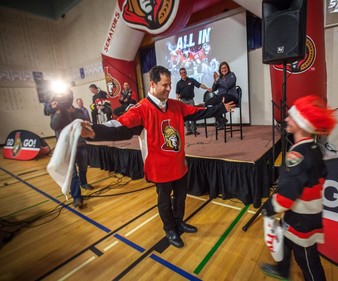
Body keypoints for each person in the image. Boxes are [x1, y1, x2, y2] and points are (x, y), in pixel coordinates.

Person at [81, 65, 235, 248]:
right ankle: (169, 229)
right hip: (158, 168)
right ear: (152, 84)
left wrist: (220, 109)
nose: (169, 89)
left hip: (179, 163)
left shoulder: (176, 106)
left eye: (170, 84)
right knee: (164, 201)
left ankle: (179, 222)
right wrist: (94, 131)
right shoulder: (141, 109)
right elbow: (119, 126)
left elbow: (198, 112)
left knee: (180, 197)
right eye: (165, 85)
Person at [259, 95, 338, 281]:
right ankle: (282, 270)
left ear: (302, 124)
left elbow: (286, 195)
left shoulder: (297, 155)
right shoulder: (314, 149)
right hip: (304, 213)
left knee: (308, 262)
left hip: (302, 220)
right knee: (285, 243)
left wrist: (269, 207)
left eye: (291, 117)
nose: (286, 119)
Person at [50, 90, 94, 208]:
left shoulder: (75, 111)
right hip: (67, 147)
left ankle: (84, 183)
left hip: (80, 144)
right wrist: (58, 111)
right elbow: (54, 125)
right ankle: (77, 197)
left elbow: (85, 119)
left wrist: (73, 111)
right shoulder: (56, 112)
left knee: (83, 166)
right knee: (73, 173)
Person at [176, 67, 212, 135]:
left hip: (190, 100)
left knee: (193, 114)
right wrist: (177, 102)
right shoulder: (178, 83)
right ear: (180, 74)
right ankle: (188, 130)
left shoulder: (191, 80)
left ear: (186, 73)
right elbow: (177, 94)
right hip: (182, 101)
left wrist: (207, 88)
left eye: (184, 72)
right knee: (185, 116)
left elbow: (200, 85)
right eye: (182, 73)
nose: (183, 74)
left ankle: (194, 129)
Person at [204, 61, 239, 129]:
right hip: (222, 97)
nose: (224, 69)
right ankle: (221, 120)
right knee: (212, 104)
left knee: (219, 98)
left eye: (225, 67)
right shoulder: (219, 78)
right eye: (222, 68)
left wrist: (218, 79)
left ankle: (221, 120)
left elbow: (227, 85)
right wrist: (215, 80)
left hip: (231, 96)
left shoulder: (231, 75)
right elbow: (214, 88)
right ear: (220, 70)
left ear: (228, 68)